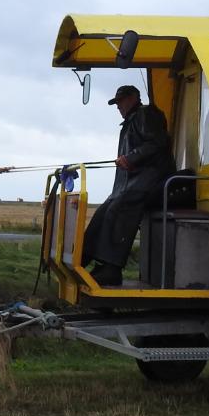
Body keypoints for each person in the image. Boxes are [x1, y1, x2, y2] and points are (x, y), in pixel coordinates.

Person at [82, 83, 172, 286]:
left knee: (120, 206)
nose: (118, 106)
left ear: (133, 98)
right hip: (135, 181)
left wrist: (131, 158)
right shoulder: (131, 120)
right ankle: (83, 259)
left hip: (152, 179)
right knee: (104, 210)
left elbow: (157, 143)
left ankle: (111, 269)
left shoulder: (146, 114)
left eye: (120, 101)